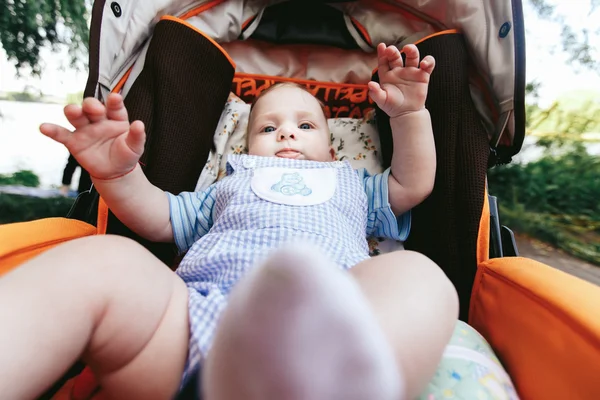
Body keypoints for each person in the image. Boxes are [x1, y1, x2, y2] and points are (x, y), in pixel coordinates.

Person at [0, 43, 458, 400]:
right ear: (241, 151)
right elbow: (158, 217)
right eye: (267, 127)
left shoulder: (354, 183)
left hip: (331, 329)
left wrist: (409, 114)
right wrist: (118, 176)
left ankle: (338, 383)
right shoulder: (226, 185)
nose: (286, 133)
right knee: (104, 260)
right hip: (196, 321)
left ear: (334, 151)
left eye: (306, 126)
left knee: (419, 275)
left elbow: (413, 182)